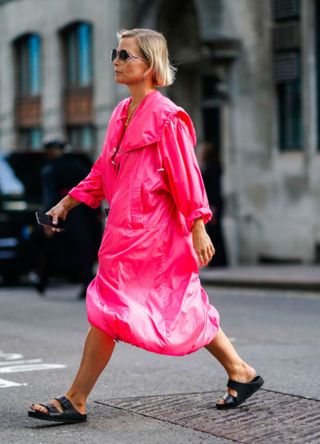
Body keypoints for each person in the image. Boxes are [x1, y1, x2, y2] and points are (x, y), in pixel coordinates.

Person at [28, 28, 263, 423]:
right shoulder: (121, 113)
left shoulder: (168, 118)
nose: (116, 62)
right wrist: (68, 202)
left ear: (150, 64)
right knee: (183, 304)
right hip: (124, 235)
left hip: (153, 237)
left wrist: (198, 225)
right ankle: (241, 371)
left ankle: (76, 399)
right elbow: (104, 169)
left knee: (108, 308)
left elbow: (187, 176)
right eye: (114, 54)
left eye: (125, 55)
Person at [34, 139, 101, 299]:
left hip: (61, 213)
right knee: (83, 250)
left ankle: (42, 282)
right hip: (81, 214)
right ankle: (86, 284)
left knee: (51, 249)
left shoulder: (50, 170)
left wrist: (46, 221)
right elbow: (92, 188)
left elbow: (49, 198)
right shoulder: (78, 165)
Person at [201, 142, 228, 267]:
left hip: (213, 205)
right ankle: (217, 260)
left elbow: (212, 190)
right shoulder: (214, 167)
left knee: (214, 233)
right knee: (215, 233)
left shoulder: (211, 169)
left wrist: (213, 208)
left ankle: (217, 261)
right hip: (214, 204)